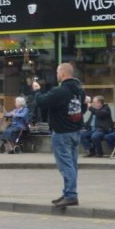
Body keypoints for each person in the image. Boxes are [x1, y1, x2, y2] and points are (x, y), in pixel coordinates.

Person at [33, 62, 86, 207]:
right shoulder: (79, 91)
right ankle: (68, 192)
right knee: (72, 164)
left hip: (62, 132)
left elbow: (42, 102)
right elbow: (83, 108)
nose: (56, 75)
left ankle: (70, 195)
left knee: (65, 165)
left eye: (57, 72)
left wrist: (37, 91)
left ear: (62, 74)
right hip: (75, 131)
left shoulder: (60, 91)